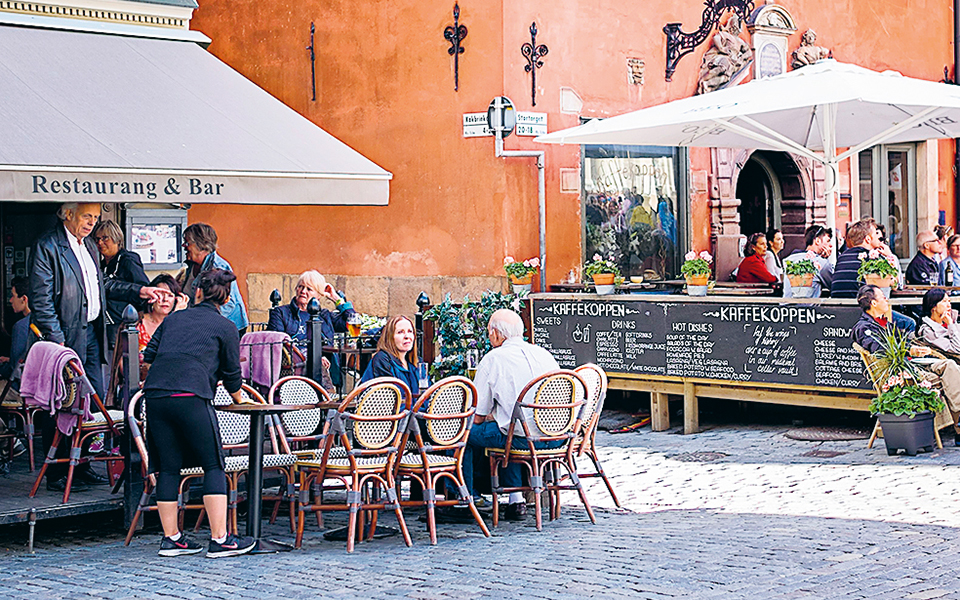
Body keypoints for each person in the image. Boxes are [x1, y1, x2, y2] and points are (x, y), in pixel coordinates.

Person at [29, 202, 168, 492]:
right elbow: (41, 298)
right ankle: (57, 470)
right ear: (68, 215)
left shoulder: (89, 247)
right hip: (65, 336)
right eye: (86, 216)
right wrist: (57, 341)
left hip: (91, 333)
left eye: (94, 217)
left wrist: (137, 290)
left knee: (89, 400)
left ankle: (81, 465)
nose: (91, 222)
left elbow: (101, 285)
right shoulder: (48, 245)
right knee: (62, 399)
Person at [142, 268, 256, 558]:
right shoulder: (226, 327)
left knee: (167, 467)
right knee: (213, 465)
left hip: (155, 396)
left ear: (198, 292)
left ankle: (172, 539)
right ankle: (220, 539)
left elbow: (149, 355)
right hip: (191, 396)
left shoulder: (174, 320)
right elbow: (232, 374)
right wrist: (239, 399)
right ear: (227, 298)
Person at [443, 309, 560, 522]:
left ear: (496, 334)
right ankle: (516, 500)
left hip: (522, 439)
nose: (489, 337)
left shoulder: (494, 359)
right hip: (557, 437)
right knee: (512, 424)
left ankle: (463, 499)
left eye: (489, 333)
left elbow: (477, 415)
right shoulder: (544, 354)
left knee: (461, 432)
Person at [267, 270, 356, 387]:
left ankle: (326, 399)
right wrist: (312, 356)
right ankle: (328, 399)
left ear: (318, 296)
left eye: (309, 289)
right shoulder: (281, 313)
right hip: (292, 367)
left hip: (323, 367)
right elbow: (277, 343)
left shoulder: (324, 315)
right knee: (317, 365)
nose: (303, 291)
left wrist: (336, 298)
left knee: (319, 366)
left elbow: (352, 323)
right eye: (300, 287)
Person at [176, 223, 248, 332]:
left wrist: (205, 324)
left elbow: (228, 304)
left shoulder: (218, 268)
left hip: (225, 327)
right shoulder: (192, 265)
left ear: (201, 245)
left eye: (187, 243)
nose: (184, 246)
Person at [914, 288, 960, 444]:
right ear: (934, 306)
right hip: (938, 364)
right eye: (945, 301)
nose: (949, 304)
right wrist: (952, 325)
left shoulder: (950, 320)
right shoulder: (928, 330)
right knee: (953, 370)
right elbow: (957, 349)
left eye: (949, 300)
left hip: (952, 362)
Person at [92, 220, 150, 342]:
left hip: (123, 322)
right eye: (97, 239)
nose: (100, 243)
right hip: (105, 322)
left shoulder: (128, 259)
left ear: (117, 239)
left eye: (105, 238)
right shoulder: (100, 265)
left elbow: (143, 289)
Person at [359, 315, 419, 397]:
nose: (407, 336)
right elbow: (391, 398)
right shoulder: (382, 359)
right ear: (390, 337)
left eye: (410, 331)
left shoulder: (415, 363)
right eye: (400, 332)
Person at [831, 218, 884, 298]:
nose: (879, 237)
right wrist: (890, 255)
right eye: (875, 233)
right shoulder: (872, 257)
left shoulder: (842, 257)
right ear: (868, 239)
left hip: (837, 306)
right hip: (860, 307)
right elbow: (893, 284)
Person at [138, 274, 189, 353]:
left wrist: (177, 315)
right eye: (160, 294)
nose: (165, 299)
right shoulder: (137, 322)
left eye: (170, 295)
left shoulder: (182, 324)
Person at [783, 225, 834, 298]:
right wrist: (826, 260)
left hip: (786, 306)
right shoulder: (821, 262)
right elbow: (833, 284)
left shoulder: (789, 259)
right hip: (808, 307)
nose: (830, 245)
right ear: (817, 241)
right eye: (828, 241)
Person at [0, 276, 31, 385]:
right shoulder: (45, 323)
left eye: (13, 296)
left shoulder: (20, 327)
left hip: (21, 387)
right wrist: (9, 359)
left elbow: (14, 368)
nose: (11, 300)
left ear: (24, 299)